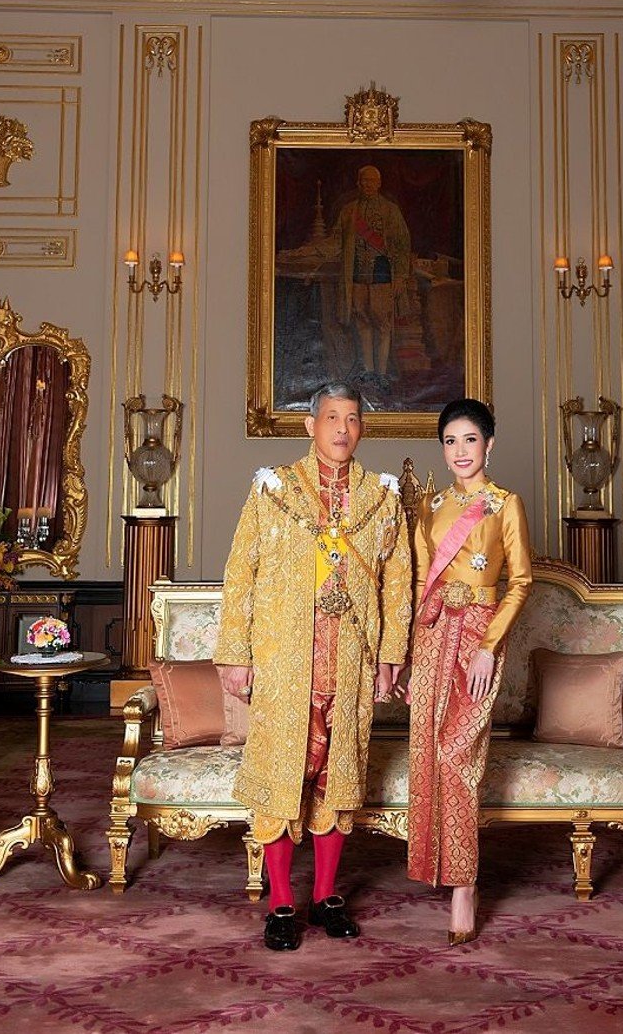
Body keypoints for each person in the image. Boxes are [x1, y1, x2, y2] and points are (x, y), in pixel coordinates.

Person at [216, 382, 412, 951]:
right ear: (311, 426)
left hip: (350, 659)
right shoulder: (275, 490)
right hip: (284, 658)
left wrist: (389, 655)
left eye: (352, 419)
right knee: (284, 776)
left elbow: (398, 581)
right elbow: (241, 572)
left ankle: (326, 897)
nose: (342, 429)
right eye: (331, 418)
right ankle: (281, 903)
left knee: (338, 776)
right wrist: (235, 654)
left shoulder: (381, 496)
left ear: (362, 429)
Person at [406, 398, 533, 944]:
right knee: (429, 750)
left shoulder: (505, 505)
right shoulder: (429, 506)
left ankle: (464, 884)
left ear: (490, 444)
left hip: (479, 638)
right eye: (451, 441)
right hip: (434, 634)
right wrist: (410, 656)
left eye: (470, 440)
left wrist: (489, 646)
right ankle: (436, 865)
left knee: (460, 754)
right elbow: (416, 584)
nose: (460, 451)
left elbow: (521, 582)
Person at [334, 165, 411, 387]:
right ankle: (368, 372)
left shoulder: (390, 211)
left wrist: (400, 278)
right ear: (358, 183)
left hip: (382, 274)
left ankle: (382, 374)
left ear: (379, 184)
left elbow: (402, 245)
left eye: (372, 181)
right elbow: (336, 240)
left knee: (383, 324)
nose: (368, 184)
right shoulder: (348, 211)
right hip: (357, 275)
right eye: (364, 180)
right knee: (362, 322)